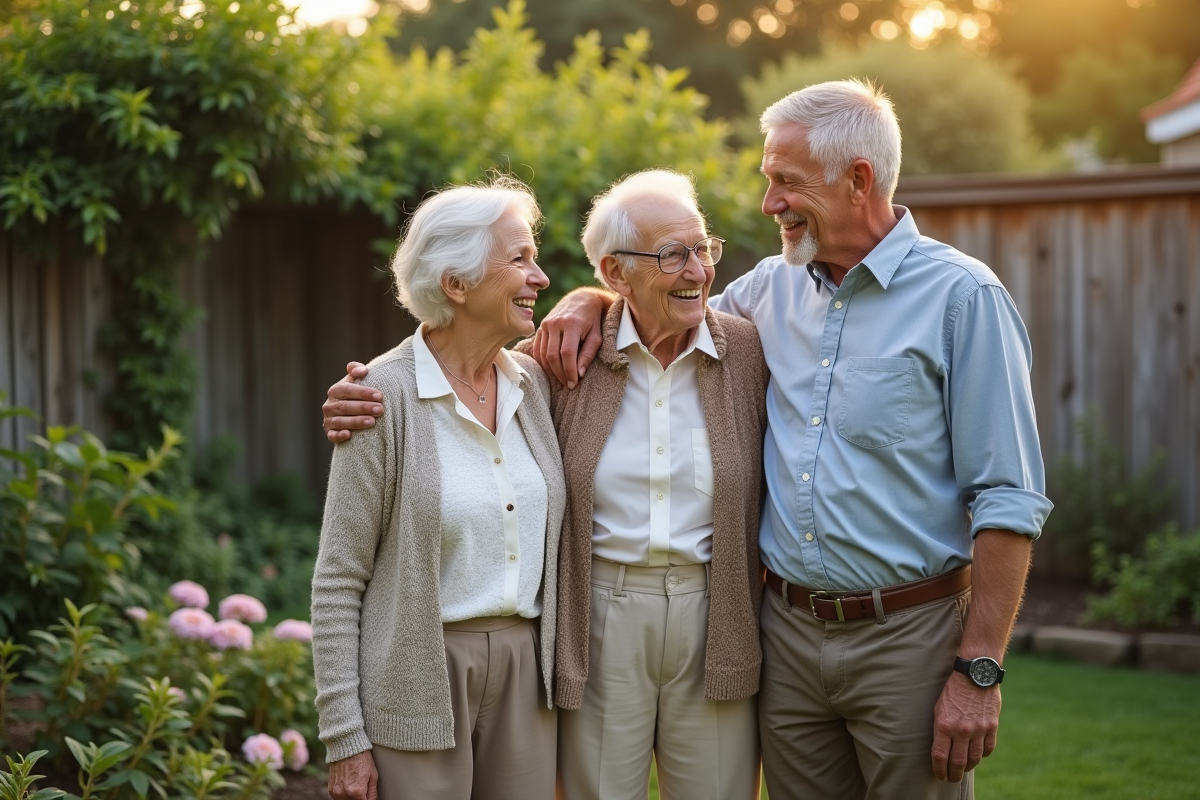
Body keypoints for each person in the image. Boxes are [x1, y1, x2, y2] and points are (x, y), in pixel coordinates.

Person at [327, 79, 1054, 798]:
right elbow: (649, 310)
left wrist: (979, 669)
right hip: (751, 630)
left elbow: (1009, 497)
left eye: (784, 182)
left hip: (872, 629)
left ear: (858, 180)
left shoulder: (944, 301)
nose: (767, 204)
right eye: (678, 254)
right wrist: (584, 302)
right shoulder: (751, 300)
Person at [324, 170, 769, 800]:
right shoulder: (552, 369)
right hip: (590, 622)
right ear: (617, 273)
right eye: (673, 254)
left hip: (699, 620)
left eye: (703, 248)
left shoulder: (744, 353)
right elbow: (340, 574)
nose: (697, 268)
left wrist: (588, 298)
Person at [311, 177, 566, 800]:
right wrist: (344, 737)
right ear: (456, 284)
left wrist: (590, 300)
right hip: (418, 674)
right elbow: (339, 579)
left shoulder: (535, 383)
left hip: (526, 674)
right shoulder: (380, 396)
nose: (540, 278)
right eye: (519, 259)